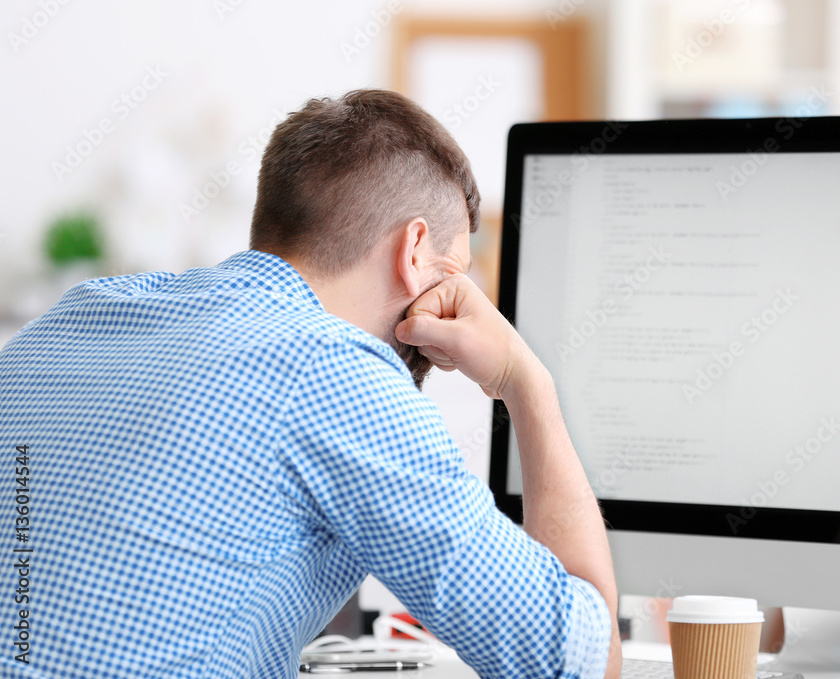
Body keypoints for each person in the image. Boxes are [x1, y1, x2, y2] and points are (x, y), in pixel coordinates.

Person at [0, 89, 621, 678]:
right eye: (451, 275)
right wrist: (524, 379)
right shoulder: (334, 371)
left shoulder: (73, 316)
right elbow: (574, 661)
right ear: (414, 252)